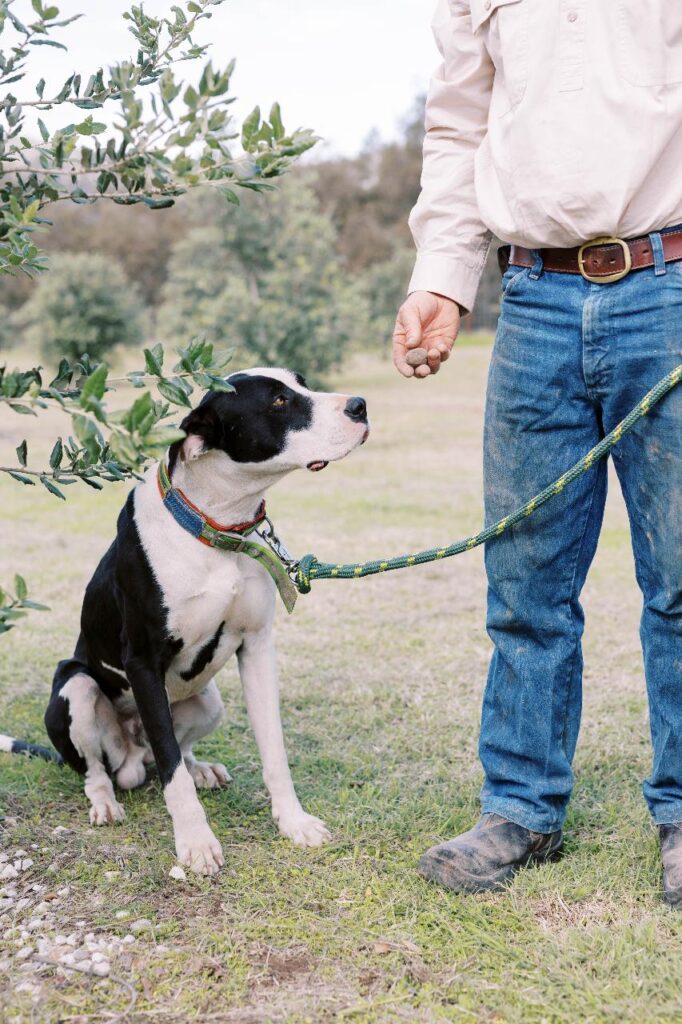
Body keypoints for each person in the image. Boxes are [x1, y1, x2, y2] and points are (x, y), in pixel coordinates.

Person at [393, 0, 682, 905]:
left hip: (668, 285)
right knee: (525, 587)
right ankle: (519, 809)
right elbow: (458, 125)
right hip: (534, 298)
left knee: (681, 579)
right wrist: (443, 277)